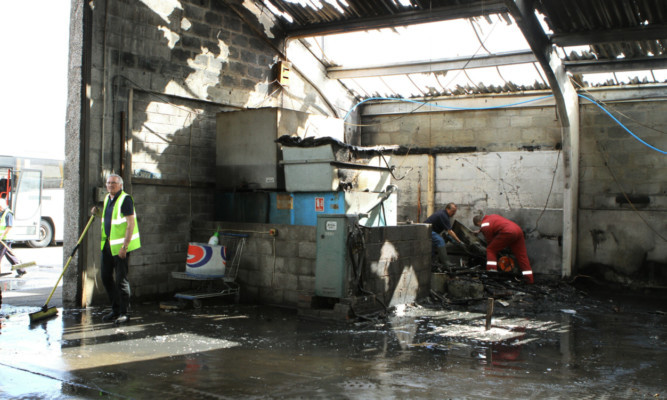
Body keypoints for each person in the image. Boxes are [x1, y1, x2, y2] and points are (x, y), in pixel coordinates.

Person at [91, 174, 141, 324]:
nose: (110, 185)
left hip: (120, 247)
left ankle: (125, 312)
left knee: (121, 280)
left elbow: (130, 224)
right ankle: (116, 309)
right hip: (107, 245)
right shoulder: (108, 198)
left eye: (114, 183)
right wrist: (97, 213)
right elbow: (110, 219)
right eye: (108, 183)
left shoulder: (125, 199)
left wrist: (124, 247)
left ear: (120, 185)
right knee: (106, 277)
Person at [473, 214, 534, 284]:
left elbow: (489, 241)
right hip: (518, 230)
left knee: (491, 250)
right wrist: (480, 230)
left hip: (508, 232)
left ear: (478, 223)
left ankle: (491, 275)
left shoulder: (484, 225)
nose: (480, 227)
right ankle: (529, 279)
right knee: (522, 256)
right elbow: (494, 225)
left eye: (478, 226)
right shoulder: (492, 216)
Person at [424, 203, 464, 268]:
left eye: (455, 211)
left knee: (437, 243)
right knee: (440, 240)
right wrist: (459, 241)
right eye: (453, 211)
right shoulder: (443, 215)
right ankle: (446, 263)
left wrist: (452, 239)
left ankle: (434, 263)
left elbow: (447, 231)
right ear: (447, 209)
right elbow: (450, 231)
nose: (454, 213)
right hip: (427, 231)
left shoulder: (444, 214)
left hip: (429, 231)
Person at [0, 198, 27, 277]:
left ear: (2, 206)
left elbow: (9, 226)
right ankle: (21, 270)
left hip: (6, 239)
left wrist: (1, 236)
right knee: (10, 255)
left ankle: (21, 269)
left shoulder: (8, 214)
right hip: (3, 239)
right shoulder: (1, 213)